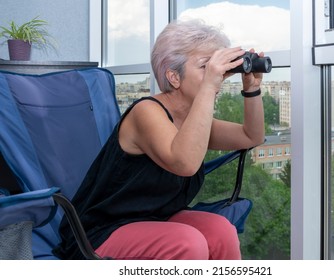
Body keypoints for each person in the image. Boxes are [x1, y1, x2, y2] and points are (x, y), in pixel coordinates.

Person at [53, 19, 265, 260]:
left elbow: (251, 136)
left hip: (158, 217)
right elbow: (184, 163)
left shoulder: (192, 119)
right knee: (187, 242)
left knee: (221, 231)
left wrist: (252, 89)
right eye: (205, 66)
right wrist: (209, 87)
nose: (216, 75)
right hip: (101, 231)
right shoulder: (146, 112)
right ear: (174, 77)